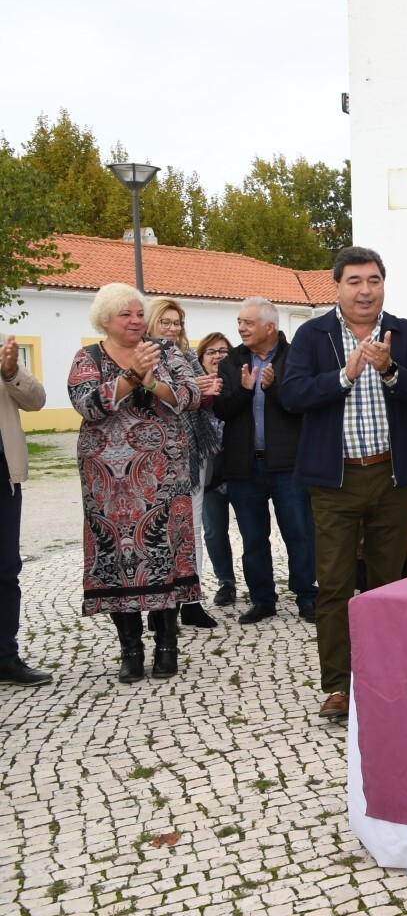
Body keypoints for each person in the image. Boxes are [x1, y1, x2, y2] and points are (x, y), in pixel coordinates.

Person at [280, 247, 407, 721]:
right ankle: (337, 686)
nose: (365, 290)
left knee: (388, 584)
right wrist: (344, 376)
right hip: (335, 481)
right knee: (334, 584)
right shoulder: (313, 334)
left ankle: (386, 677)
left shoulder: (404, 333)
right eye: (354, 281)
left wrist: (390, 370)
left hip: (392, 477)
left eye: (373, 280)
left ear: (383, 284)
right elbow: (292, 394)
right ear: (338, 286)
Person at [68, 284, 202, 683]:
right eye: (126, 314)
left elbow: (191, 394)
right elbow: (85, 404)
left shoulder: (167, 351)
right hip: (107, 482)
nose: (135, 321)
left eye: (139, 313)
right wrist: (128, 378)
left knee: (164, 552)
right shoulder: (87, 358)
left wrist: (150, 381)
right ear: (106, 319)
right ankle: (130, 649)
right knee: (116, 561)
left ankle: (166, 645)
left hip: (163, 476)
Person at [211, 298, 319, 624]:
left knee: (299, 532)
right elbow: (221, 410)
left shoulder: (296, 357)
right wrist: (245, 391)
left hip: (289, 464)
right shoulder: (231, 361)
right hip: (244, 465)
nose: (241, 328)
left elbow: (302, 405)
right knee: (253, 538)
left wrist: (271, 388)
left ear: (269, 327)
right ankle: (262, 599)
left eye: (248, 322)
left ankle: (307, 596)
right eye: (239, 322)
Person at [146, 297, 223, 628]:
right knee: (158, 534)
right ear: (151, 323)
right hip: (154, 459)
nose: (173, 328)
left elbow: (200, 404)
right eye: (166, 322)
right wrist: (187, 389)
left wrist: (205, 390)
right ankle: (160, 606)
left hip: (191, 453)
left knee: (191, 530)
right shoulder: (142, 358)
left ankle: (191, 601)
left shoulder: (188, 355)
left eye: (177, 322)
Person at [0, 335, 49, 686]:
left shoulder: (4, 348)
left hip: (3, 475)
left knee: (5, 570)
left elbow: (37, 400)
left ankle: (5, 656)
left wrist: (11, 370)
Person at [193, 332, 238, 611]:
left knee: (252, 529)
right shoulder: (194, 388)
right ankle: (226, 581)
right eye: (211, 352)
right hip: (209, 472)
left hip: (239, 468)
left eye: (223, 351)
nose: (218, 356)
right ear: (201, 359)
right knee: (213, 531)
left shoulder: (238, 384)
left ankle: (262, 581)